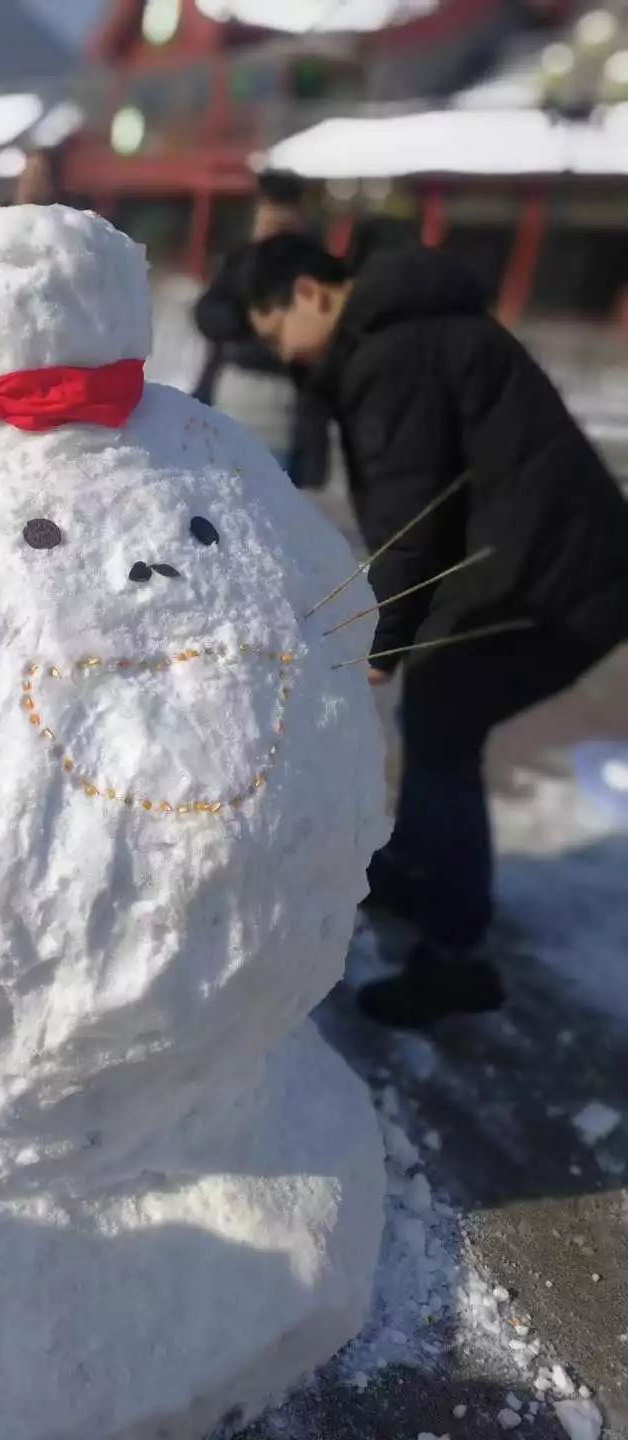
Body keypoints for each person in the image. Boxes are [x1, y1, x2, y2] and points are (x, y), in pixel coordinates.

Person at [241, 233, 628, 1028]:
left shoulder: (393, 352)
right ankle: (422, 871)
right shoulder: (405, 330)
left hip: (561, 581)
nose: (283, 355)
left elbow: (410, 524)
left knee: (444, 719)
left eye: (276, 331)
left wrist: (385, 645)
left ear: (312, 292)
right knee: (441, 712)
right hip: (550, 566)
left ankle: (456, 955)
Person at [193, 171, 328, 490]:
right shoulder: (243, 259)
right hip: (232, 394)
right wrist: (253, 322)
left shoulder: (315, 265)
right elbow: (207, 314)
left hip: (287, 407)